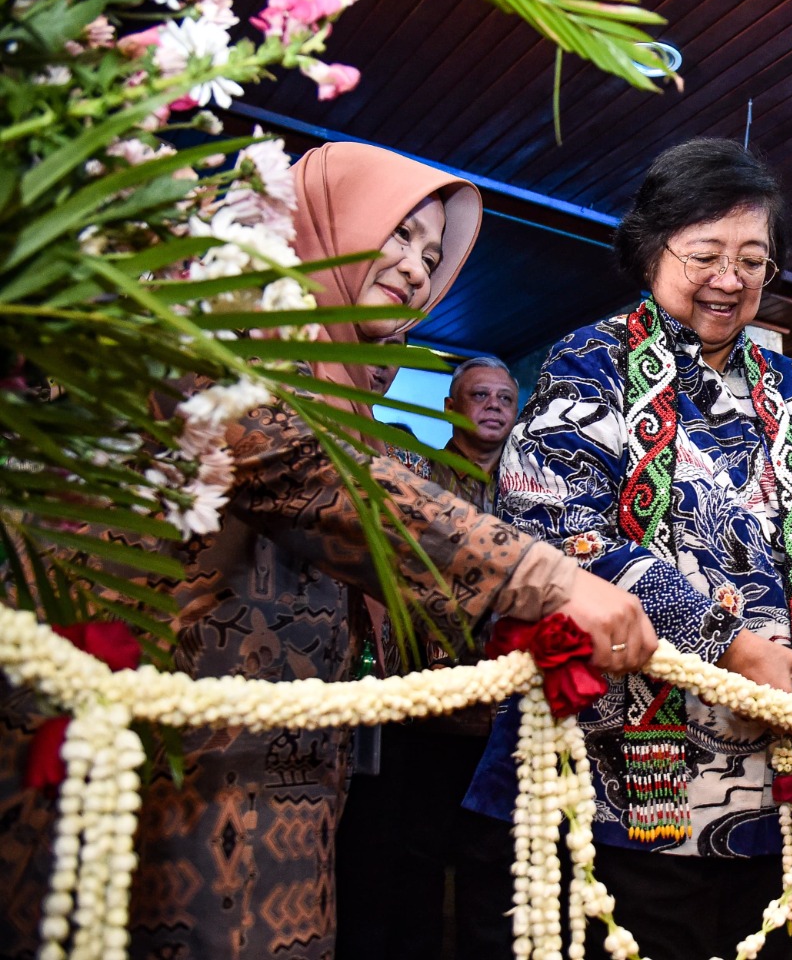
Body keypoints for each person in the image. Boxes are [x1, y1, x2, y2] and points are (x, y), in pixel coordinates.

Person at [0, 143, 655, 960]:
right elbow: (293, 467)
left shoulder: (344, 387)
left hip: (289, 778)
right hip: (158, 767)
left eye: (431, 255)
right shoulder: (214, 313)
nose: (416, 268)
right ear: (327, 216)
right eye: (398, 234)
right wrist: (541, 579)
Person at [464, 138, 792, 960]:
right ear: (653, 247)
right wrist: (723, 643)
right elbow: (557, 531)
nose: (730, 280)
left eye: (753, 260)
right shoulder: (591, 365)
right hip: (632, 770)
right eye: (706, 255)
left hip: (789, 768)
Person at [338, 355, 526, 959]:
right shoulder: (415, 469)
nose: (493, 405)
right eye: (480, 395)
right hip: (417, 709)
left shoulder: (532, 487)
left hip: (502, 723)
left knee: (493, 865)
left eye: (504, 397)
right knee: (403, 865)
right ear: (451, 407)